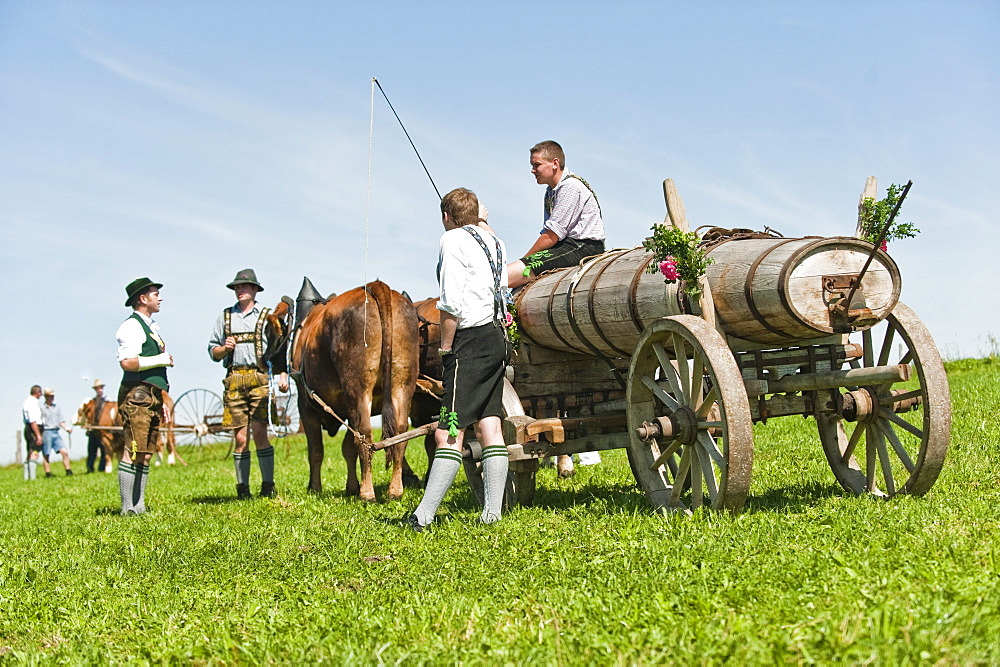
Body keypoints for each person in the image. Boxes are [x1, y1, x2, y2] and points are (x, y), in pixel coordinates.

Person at [408, 187, 511, 531]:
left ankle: (423, 516)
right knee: (490, 424)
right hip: (497, 337)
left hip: (469, 340)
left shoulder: (451, 240)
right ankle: (492, 514)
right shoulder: (495, 242)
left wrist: (446, 349)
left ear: (446, 216)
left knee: (448, 432)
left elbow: (450, 302)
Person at [208, 268, 288, 499]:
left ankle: (267, 485)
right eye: (237, 287)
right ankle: (242, 488)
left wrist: (282, 375)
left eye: (244, 287)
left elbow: (277, 350)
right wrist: (224, 348)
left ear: (255, 290)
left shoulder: (266, 317)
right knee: (240, 437)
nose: (240, 290)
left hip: (259, 378)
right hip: (234, 379)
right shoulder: (225, 317)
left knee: (260, 433)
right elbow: (213, 352)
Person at [506, 140, 606, 289]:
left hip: (583, 247)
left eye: (537, 165)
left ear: (555, 163)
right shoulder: (550, 192)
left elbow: (550, 236)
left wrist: (525, 259)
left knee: (507, 276)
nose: (532, 170)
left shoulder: (570, 187)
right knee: (514, 275)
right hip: (566, 246)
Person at [116, 277, 173, 516]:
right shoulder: (130, 327)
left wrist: (161, 398)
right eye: (154, 293)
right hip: (136, 395)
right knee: (134, 448)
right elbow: (127, 363)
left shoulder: (150, 327)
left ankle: (139, 506)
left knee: (147, 451)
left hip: (150, 395)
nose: (159, 298)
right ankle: (127, 508)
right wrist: (161, 359)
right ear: (142, 299)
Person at [39, 388, 74, 476]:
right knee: (46, 453)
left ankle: (68, 470)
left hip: (55, 432)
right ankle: (48, 472)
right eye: (50, 396)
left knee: (64, 452)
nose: (52, 398)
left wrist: (66, 428)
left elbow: (60, 421)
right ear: (46, 397)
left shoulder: (57, 407)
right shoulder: (41, 408)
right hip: (46, 432)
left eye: (53, 396)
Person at [85, 379, 108, 473]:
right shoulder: (92, 402)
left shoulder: (108, 401)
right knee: (92, 451)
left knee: (104, 450)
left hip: (103, 430)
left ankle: (101, 469)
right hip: (93, 430)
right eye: (98, 388)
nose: (99, 390)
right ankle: (90, 468)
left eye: (101, 388)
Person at [21, 385, 43, 480]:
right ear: (37, 392)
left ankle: (27, 477)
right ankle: (31, 477)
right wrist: (38, 435)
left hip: (29, 428)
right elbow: (33, 420)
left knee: (29, 452)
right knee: (34, 452)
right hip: (33, 428)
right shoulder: (32, 403)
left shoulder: (27, 402)